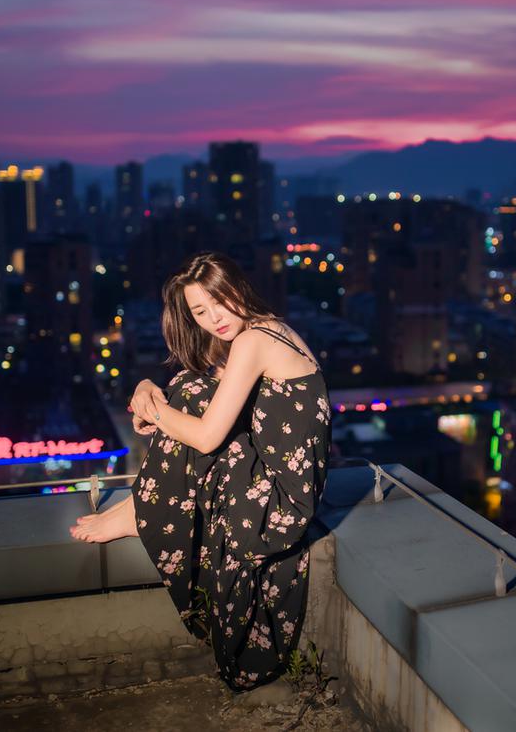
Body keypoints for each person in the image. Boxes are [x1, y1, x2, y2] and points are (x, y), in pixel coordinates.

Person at [69, 251, 331, 693]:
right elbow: (197, 386)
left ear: (237, 288)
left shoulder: (254, 341)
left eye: (219, 301)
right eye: (200, 311)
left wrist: (152, 409)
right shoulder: (262, 330)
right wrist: (147, 389)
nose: (214, 318)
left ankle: (139, 510)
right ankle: (139, 506)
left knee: (189, 402)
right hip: (281, 481)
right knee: (189, 388)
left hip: (281, 504)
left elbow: (208, 438)